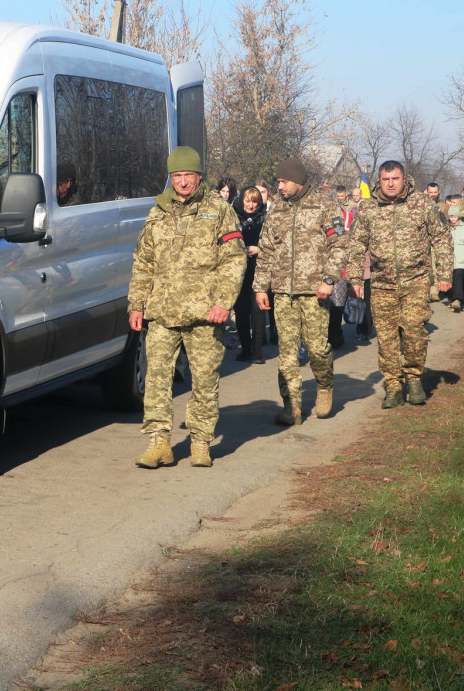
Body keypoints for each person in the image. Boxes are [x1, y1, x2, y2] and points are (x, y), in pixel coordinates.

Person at [127, 146, 246, 469]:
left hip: (205, 313)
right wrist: (136, 304)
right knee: (156, 378)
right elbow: (143, 262)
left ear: (199, 177)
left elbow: (234, 260)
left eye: (188, 176)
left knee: (205, 379)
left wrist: (223, 302)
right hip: (163, 312)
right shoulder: (158, 212)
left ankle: (200, 441)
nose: (182, 182)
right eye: (176, 176)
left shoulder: (219, 210)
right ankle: (159, 442)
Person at [346, 161, 452, 408]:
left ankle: (414, 379)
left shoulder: (421, 204)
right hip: (382, 284)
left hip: (415, 281)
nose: (391, 183)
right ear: (379, 180)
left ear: (404, 179)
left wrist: (445, 273)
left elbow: (441, 237)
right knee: (386, 337)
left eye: (395, 178)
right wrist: (354, 279)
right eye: (386, 179)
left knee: (415, 331)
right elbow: (356, 245)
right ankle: (393, 385)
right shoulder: (369, 207)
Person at [254, 156, 347, 426]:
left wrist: (329, 280)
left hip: (314, 291)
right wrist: (260, 287)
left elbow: (340, 244)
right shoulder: (277, 210)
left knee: (318, 349)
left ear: (298, 180)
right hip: (283, 291)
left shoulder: (325, 206)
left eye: (284, 181)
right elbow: (267, 250)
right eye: (278, 181)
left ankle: (325, 386)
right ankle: (291, 405)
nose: (279, 186)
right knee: (287, 353)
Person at [234, 186, 266, 363]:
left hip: (259, 268)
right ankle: (245, 348)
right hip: (239, 270)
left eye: (255, 202)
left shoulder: (265, 217)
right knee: (241, 310)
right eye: (248, 201)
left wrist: (257, 249)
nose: (251, 205)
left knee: (258, 309)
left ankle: (258, 350)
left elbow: (274, 243)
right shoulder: (233, 215)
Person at [447, 206, 464, 313]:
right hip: (449, 259)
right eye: (450, 216)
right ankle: (452, 298)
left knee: (458, 278)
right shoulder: (446, 227)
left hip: (460, 258)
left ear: (458, 216)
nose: (452, 219)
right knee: (451, 279)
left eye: (454, 216)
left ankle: (457, 300)